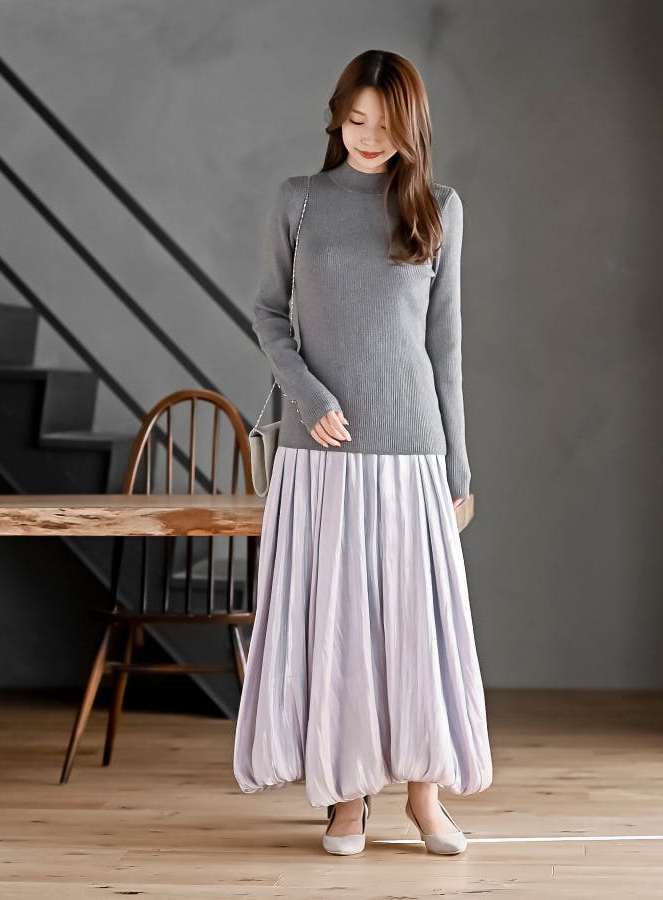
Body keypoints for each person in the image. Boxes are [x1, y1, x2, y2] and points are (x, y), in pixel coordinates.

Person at [233, 49, 493, 856]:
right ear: (336, 117)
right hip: (321, 455)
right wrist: (308, 398)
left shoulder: (439, 209)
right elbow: (269, 313)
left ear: (412, 128)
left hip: (413, 452)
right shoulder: (300, 201)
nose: (370, 137)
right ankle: (346, 801)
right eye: (356, 121)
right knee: (337, 628)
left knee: (416, 632)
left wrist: (458, 467)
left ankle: (425, 800)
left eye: (385, 125)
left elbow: (444, 348)